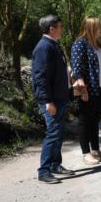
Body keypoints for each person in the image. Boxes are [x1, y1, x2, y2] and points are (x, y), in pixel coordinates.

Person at [31, 14, 75, 184]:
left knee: (58, 133)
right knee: (53, 133)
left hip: (60, 97)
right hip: (51, 100)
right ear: (52, 29)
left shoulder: (53, 45)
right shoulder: (43, 48)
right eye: (60, 27)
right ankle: (44, 171)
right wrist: (48, 101)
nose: (62, 29)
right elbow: (40, 77)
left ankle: (56, 165)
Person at [70, 17, 101, 165]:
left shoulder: (99, 46)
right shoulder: (80, 44)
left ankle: (96, 150)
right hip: (89, 89)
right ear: (91, 28)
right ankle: (86, 153)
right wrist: (82, 89)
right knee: (84, 121)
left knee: (94, 121)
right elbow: (77, 67)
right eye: (99, 27)